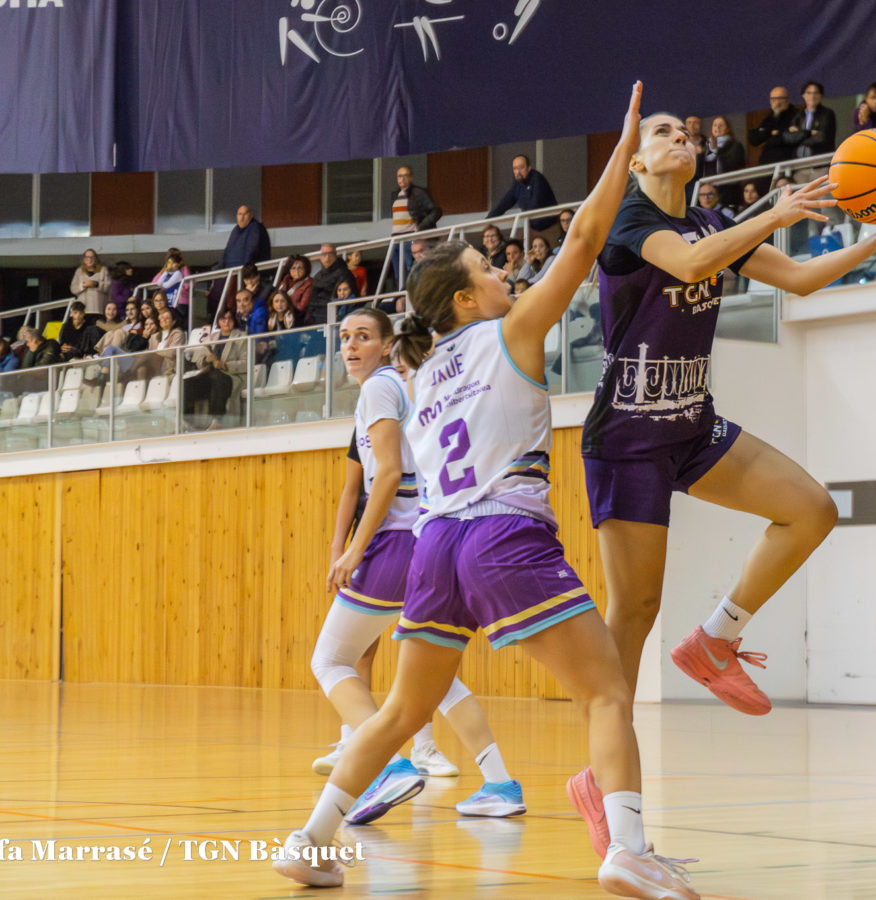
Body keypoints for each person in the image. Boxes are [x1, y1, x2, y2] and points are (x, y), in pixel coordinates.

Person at [273, 81, 700, 900]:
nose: (505, 270)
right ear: (468, 300)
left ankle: (312, 838)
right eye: (489, 268)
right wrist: (622, 150)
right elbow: (583, 236)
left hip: (437, 545)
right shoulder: (511, 332)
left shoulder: (423, 373)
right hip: (503, 535)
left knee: (401, 712)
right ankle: (630, 850)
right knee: (608, 688)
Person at [577, 109, 876, 872]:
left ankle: (716, 638)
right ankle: (607, 787)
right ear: (636, 163)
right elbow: (693, 263)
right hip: (628, 438)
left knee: (811, 510)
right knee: (630, 620)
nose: (679, 137)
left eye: (684, 132)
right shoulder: (629, 220)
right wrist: (774, 213)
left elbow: (796, 277)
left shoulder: (711, 218)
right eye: (661, 132)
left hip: (692, 425)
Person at [307, 309, 520, 821]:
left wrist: (355, 548)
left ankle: (389, 766)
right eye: (344, 338)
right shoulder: (414, 384)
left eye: (364, 337)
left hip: (396, 542)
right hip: (433, 539)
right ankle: (501, 783)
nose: (351, 346)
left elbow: (385, 475)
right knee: (435, 676)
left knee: (330, 660)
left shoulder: (379, 389)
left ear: (386, 345)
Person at [183, 306, 246, 430]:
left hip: (230, 376)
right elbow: (199, 360)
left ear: (234, 320)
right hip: (210, 374)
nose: (226, 322)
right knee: (187, 384)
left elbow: (246, 362)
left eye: (229, 319)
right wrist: (207, 360)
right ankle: (187, 420)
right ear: (219, 322)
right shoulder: (212, 337)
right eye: (223, 319)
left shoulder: (241, 337)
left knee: (218, 379)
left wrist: (224, 365)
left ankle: (217, 420)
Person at [488, 155, 559, 231]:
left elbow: (534, 205)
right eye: (515, 168)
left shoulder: (537, 179)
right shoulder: (517, 183)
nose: (518, 172)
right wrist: (487, 220)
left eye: (521, 167)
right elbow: (504, 203)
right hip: (533, 228)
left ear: (529, 168)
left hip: (550, 227)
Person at [748, 85, 801, 166]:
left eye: (780, 99)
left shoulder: (797, 115)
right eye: (773, 99)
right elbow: (755, 139)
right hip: (767, 163)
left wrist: (772, 133)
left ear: (787, 100)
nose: (777, 102)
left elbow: (787, 138)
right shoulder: (770, 118)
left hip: (788, 162)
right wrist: (772, 131)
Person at [702, 115, 746, 207]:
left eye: (721, 125)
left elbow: (734, 165)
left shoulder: (735, 145)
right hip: (708, 191)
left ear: (727, 129)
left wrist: (716, 151)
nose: (717, 127)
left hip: (728, 191)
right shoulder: (705, 146)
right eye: (715, 125)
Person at [217, 205, 272, 270]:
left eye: (245, 214)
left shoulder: (255, 227)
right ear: (236, 216)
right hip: (230, 271)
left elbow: (251, 249)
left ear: (251, 215)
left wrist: (244, 269)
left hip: (246, 272)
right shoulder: (235, 230)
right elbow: (227, 250)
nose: (242, 217)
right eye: (240, 214)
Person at [311, 244, 353, 325]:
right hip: (317, 317)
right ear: (320, 257)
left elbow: (340, 296)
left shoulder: (344, 273)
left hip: (336, 315)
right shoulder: (317, 276)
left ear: (335, 255)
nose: (327, 257)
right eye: (324, 254)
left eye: (330, 254)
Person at [793, 81, 837, 156]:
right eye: (809, 93)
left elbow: (822, 136)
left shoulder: (827, 114)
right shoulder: (798, 115)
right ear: (803, 95)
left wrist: (800, 135)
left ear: (821, 96)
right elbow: (789, 137)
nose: (812, 96)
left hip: (820, 157)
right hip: (798, 158)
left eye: (816, 93)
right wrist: (809, 133)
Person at [70, 249, 111, 316]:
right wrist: (83, 285)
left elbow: (109, 287)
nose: (89, 259)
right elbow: (73, 288)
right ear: (83, 259)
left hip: (99, 309)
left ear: (96, 259)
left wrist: (96, 284)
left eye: (92, 257)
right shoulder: (79, 271)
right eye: (87, 257)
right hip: (83, 311)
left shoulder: (103, 270)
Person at [280, 256, 314, 324]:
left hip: (298, 318)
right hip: (282, 314)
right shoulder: (285, 280)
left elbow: (302, 307)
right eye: (293, 268)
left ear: (306, 269)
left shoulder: (309, 283)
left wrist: (286, 305)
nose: (296, 271)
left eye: (300, 268)